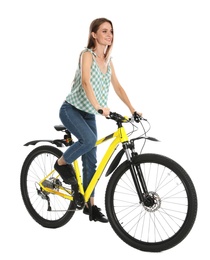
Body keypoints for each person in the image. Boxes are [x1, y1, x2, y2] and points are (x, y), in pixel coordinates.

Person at [54, 17, 142, 223]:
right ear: (94, 34)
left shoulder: (109, 61)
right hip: (71, 110)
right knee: (89, 141)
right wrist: (98, 106)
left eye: (111, 31)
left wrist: (133, 109)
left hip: (89, 113)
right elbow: (86, 82)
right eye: (104, 31)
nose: (109, 35)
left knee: (91, 161)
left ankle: (90, 206)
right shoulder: (87, 55)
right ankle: (61, 163)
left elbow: (118, 88)